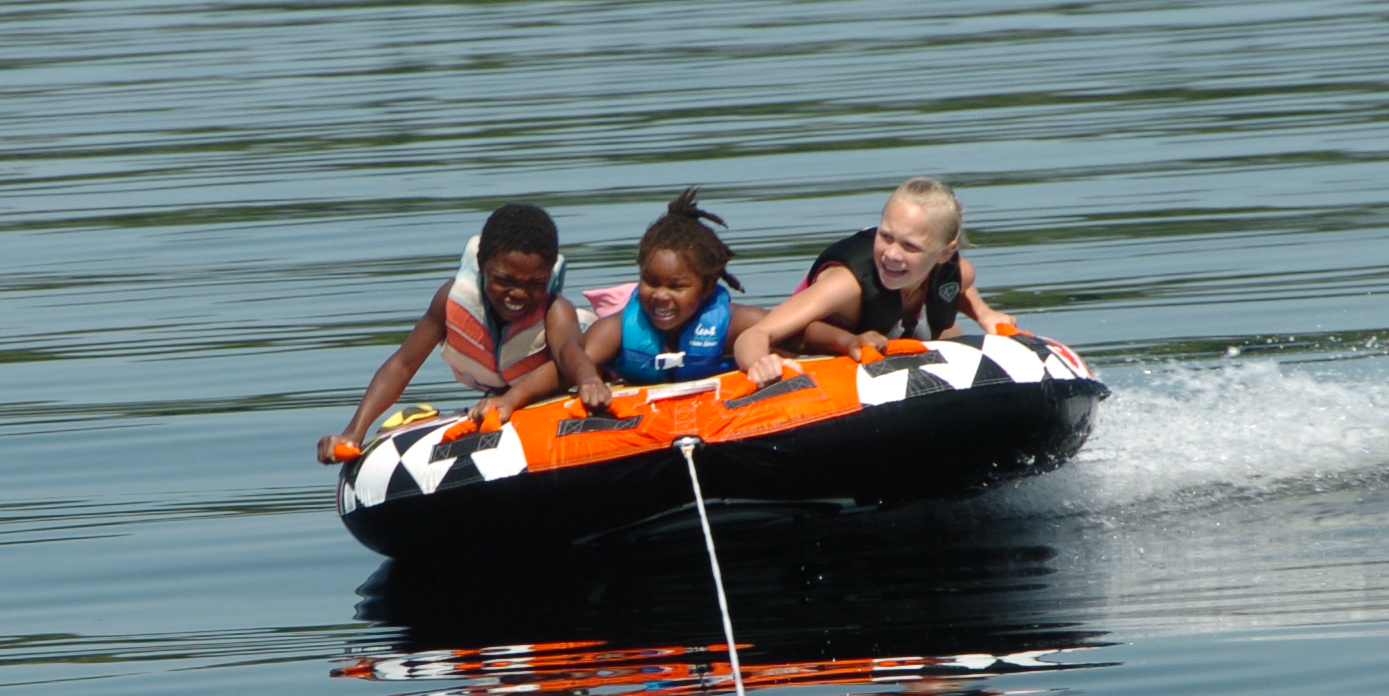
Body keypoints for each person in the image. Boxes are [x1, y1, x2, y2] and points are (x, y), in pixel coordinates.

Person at [316, 204, 607, 464]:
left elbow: (567, 352)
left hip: (576, 373)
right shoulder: (451, 299)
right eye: (504, 280)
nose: (518, 293)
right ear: (481, 264)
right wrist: (353, 433)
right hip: (503, 395)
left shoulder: (556, 310)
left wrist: (589, 380)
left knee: (586, 349)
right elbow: (402, 365)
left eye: (535, 283)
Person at [731, 178, 1004, 387]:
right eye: (885, 236)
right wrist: (760, 363)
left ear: (945, 253)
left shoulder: (959, 272)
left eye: (910, 246)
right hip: (821, 345)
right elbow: (755, 334)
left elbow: (962, 287)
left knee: (949, 331)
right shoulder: (846, 285)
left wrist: (985, 314)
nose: (892, 255)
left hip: (891, 333)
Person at [573, 188, 768, 387]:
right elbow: (570, 367)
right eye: (651, 282)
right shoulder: (614, 330)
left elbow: (788, 344)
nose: (661, 295)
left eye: (676, 287)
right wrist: (590, 381)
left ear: (708, 287)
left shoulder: (740, 324)